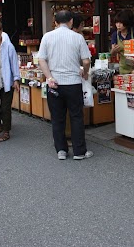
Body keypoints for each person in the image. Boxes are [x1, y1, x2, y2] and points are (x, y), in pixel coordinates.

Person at [38, 10, 92, 160]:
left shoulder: (47, 37)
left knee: (57, 118)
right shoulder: (77, 37)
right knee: (76, 116)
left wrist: (49, 77)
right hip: (73, 83)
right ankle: (79, 151)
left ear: (55, 22)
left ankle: (61, 150)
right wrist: (85, 72)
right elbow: (86, 60)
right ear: (71, 22)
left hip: (54, 83)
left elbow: (41, 59)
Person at [110, 10, 134, 74]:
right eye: (116, 23)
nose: (118, 25)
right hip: (123, 68)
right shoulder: (115, 35)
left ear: (126, 23)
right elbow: (112, 54)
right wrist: (113, 50)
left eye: (120, 23)